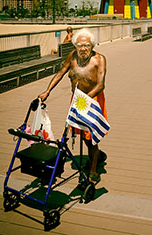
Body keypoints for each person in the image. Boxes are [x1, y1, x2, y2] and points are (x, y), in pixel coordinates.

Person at [38, 28, 107, 183]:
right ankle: (96, 156)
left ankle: (94, 169)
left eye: (86, 45)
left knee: (91, 137)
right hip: (77, 99)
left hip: (93, 99)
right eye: (80, 45)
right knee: (81, 133)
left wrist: (84, 100)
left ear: (92, 45)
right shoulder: (72, 57)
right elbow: (60, 73)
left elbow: (101, 84)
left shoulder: (99, 59)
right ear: (75, 45)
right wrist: (47, 91)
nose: (83, 49)